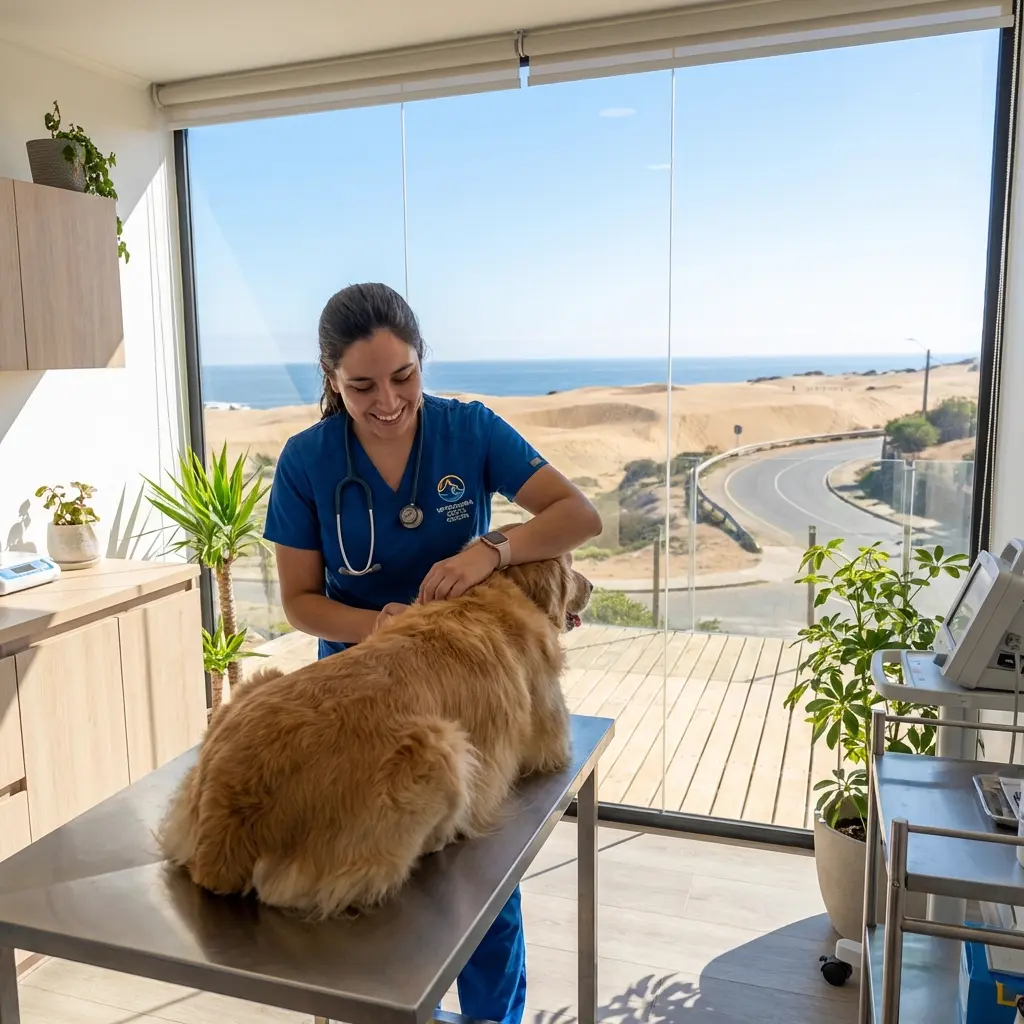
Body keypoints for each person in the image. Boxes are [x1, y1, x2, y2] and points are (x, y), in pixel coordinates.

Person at [263, 281, 602, 1024]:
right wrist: (372, 627)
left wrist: (492, 548)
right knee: (370, 893)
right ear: (331, 379)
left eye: (403, 377)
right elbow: (299, 601)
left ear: (423, 363)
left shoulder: (469, 430)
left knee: (480, 888)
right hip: (361, 696)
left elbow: (579, 515)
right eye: (361, 386)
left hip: (470, 699)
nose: (387, 402)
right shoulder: (306, 460)